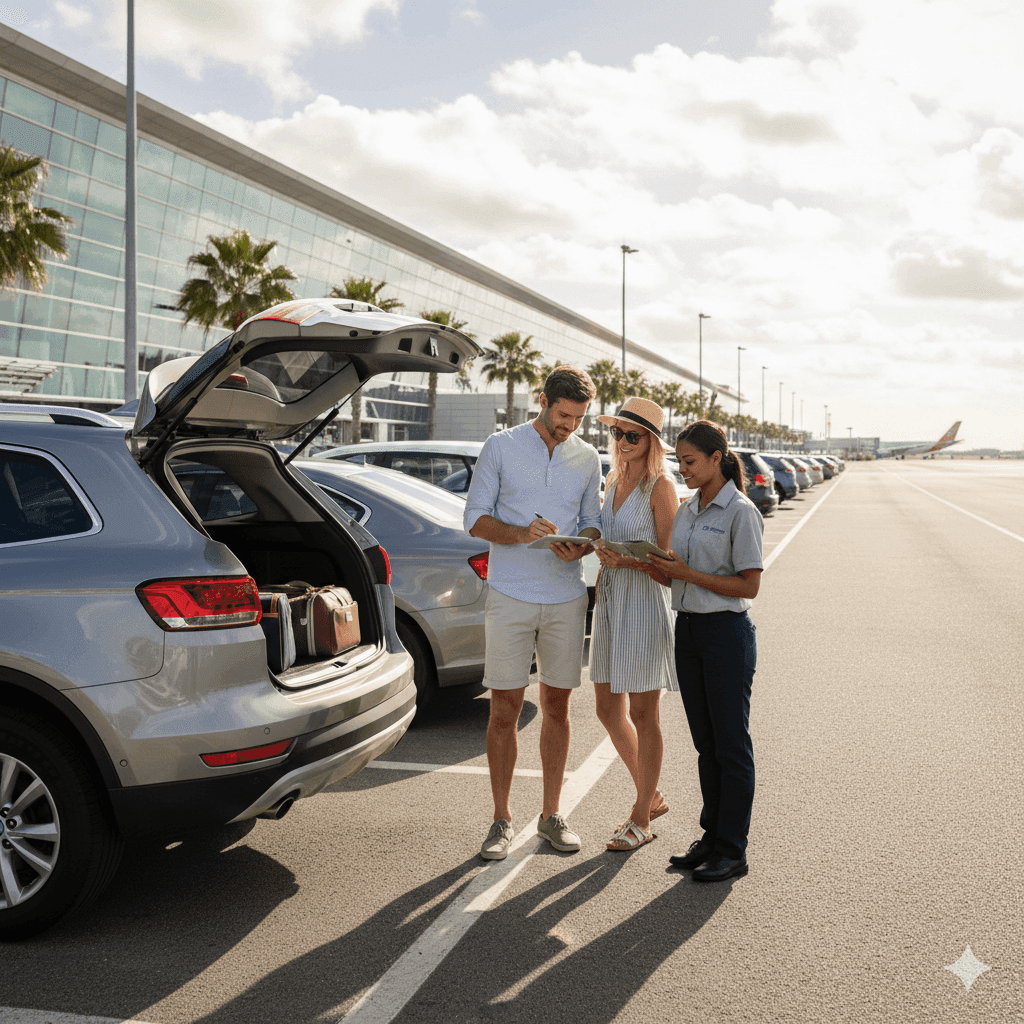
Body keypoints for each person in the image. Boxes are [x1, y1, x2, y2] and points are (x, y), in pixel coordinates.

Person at [464, 366, 602, 860]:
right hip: (510, 595)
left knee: (559, 709)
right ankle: (501, 820)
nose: (570, 426)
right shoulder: (500, 446)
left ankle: (551, 815)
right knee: (503, 709)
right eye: (564, 415)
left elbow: (593, 526)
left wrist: (581, 549)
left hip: (566, 597)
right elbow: (474, 518)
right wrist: (522, 533)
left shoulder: (587, 458)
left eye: (579, 418)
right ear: (542, 400)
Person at [647, 420, 764, 882]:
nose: (683, 469)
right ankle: (711, 838)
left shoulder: (740, 512)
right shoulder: (688, 509)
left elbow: (749, 585)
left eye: (690, 461)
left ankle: (733, 850)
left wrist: (688, 573)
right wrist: (639, 562)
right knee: (706, 745)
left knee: (732, 747)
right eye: (679, 461)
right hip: (689, 632)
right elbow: (675, 575)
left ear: (717, 458)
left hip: (726, 636)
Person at [590, 397, 680, 851]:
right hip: (609, 599)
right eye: (618, 433)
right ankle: (653, 794)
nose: (622, 442)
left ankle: (641, 816)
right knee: (607, 708)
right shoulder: (613, 478)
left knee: (645, 714)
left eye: (633, 435)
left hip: (644, 601)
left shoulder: (660, 486)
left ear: (651, 442)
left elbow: (670, 562)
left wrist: (626, 561)